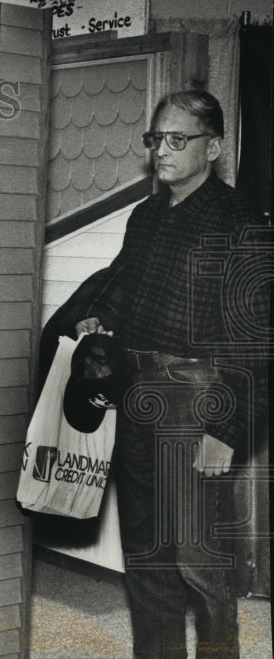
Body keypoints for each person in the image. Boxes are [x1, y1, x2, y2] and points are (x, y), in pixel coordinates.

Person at [75, 90, 269, 659]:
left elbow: (257, 337)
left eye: (176, 139)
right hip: (137, 390)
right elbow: (125, 282)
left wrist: (225, 430)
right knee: (146, 551)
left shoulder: (240, 220)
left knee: (198, 557)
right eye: (155, 138)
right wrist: (101, 314)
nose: (161, 150)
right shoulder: (146, 215)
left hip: (197, 397)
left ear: (212, 147)